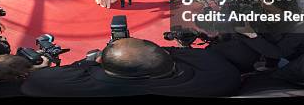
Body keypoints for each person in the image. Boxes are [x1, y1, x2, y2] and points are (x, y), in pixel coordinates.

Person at [20, 38, 241, 97]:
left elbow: (37, 81)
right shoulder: (221, 78)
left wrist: (86, 62)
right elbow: (206, 56)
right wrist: (164, 49)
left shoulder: (88, 81)